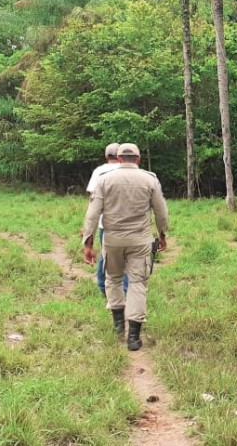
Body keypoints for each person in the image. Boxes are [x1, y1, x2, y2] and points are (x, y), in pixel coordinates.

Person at [82, 143, 169, 351]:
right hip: (140, 240)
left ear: (119, 159)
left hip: (112, 239)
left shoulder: (104, 180)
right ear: (138, 159)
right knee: (138, 283)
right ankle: (134, 337)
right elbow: (161, 212)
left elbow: (92, 214)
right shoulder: (150, 180)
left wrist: (88, 242)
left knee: (113, 279)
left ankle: (119, 325)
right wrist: (162, 235)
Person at [86, 143, 128, 297]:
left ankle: (104, 288)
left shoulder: (99, 172)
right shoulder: (129, 172)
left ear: (106, 156)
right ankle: (125, 292)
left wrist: (88, 229)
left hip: (106, 224)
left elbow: (92, 200)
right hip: (128, 224)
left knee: (106, 256)